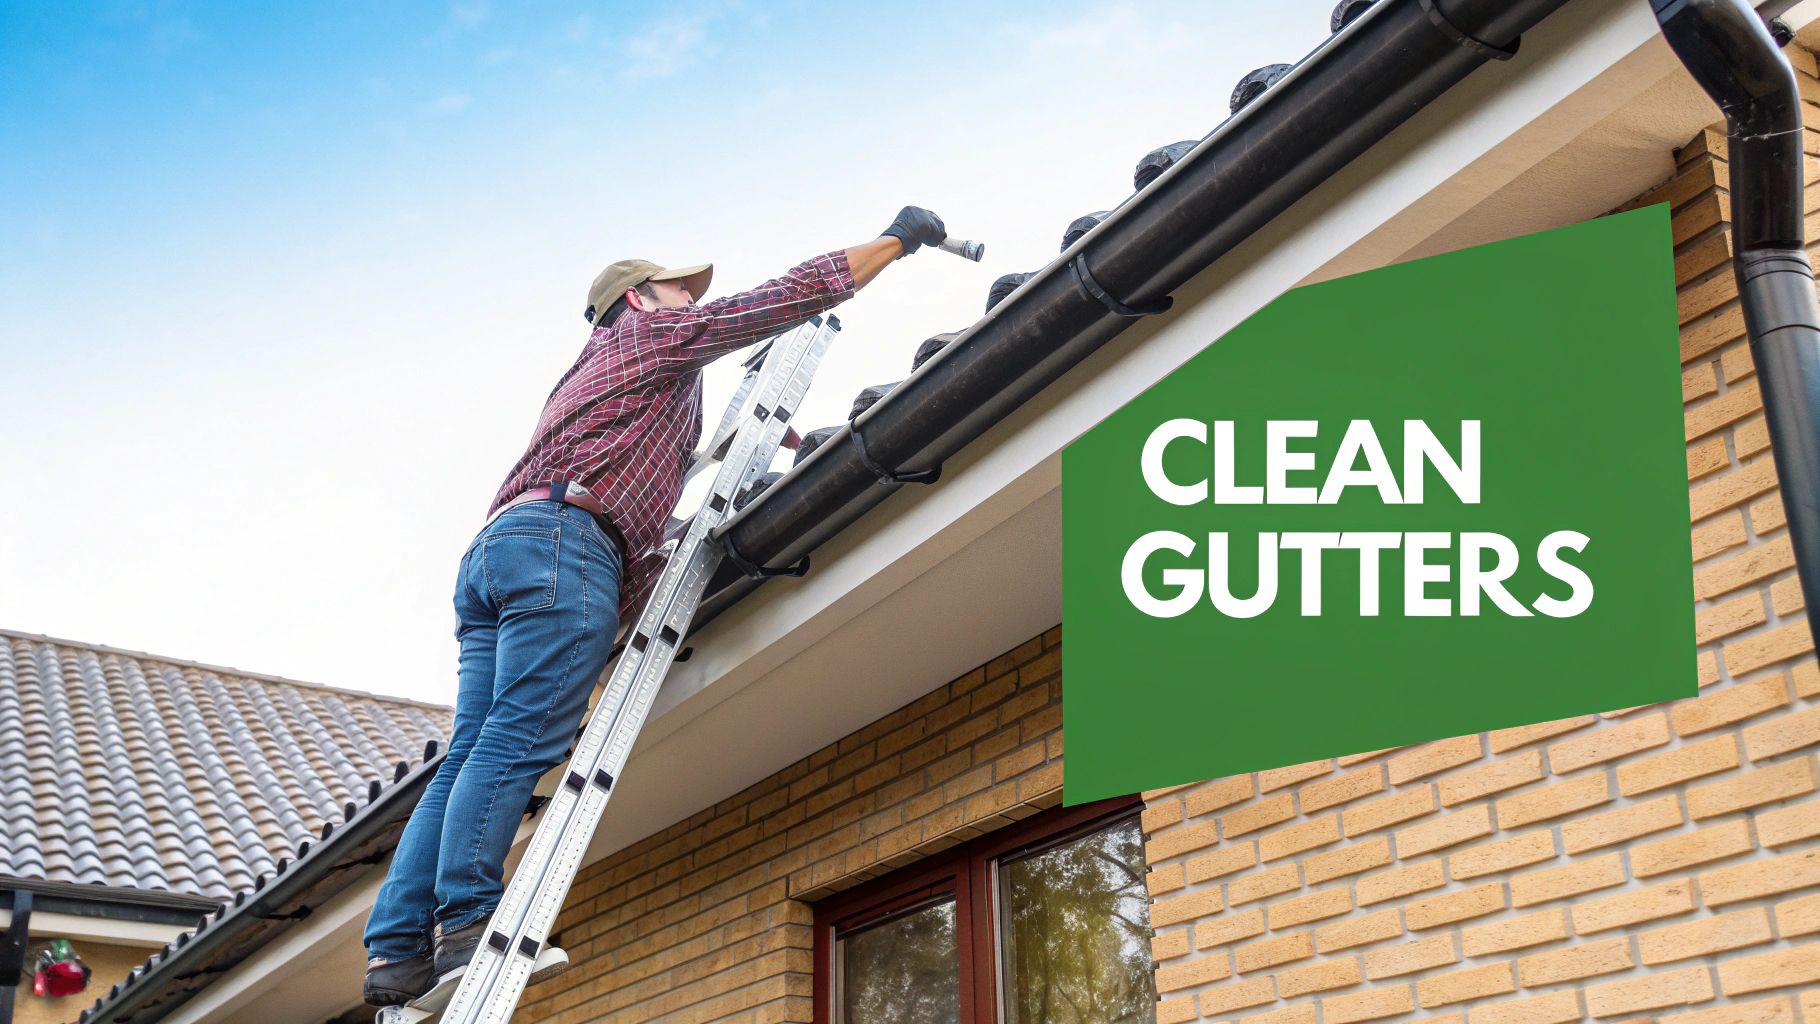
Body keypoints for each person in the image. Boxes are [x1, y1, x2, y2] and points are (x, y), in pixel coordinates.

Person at [359, 206, 950, 1006]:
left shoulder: (616, 374)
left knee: (471, 751)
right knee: (517, 743)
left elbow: (653, 477)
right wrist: (895, 243)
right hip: (563, 543)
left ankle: (396, 952)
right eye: (681, 291)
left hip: (507, 547)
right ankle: (466, 932)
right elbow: (778, 301)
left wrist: (783, 443)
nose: (694, 302)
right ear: (639, 300)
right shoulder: (646, 338)